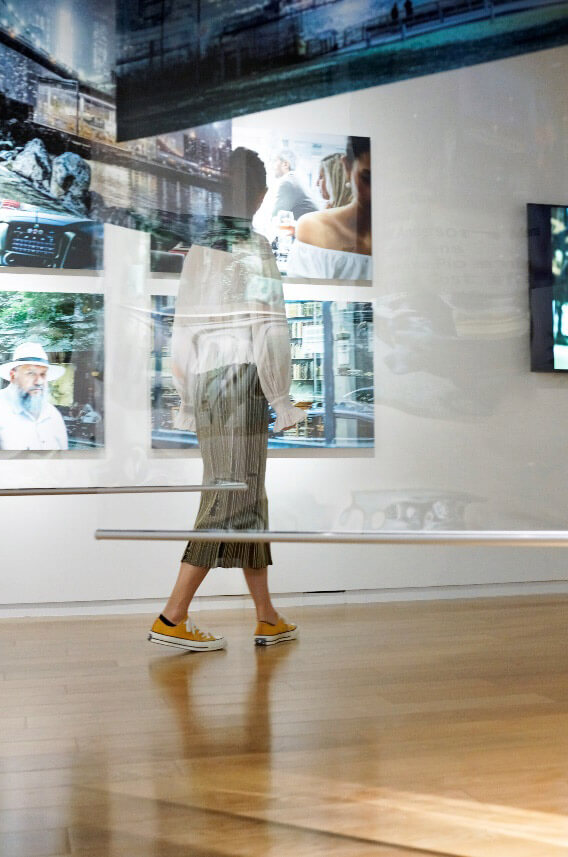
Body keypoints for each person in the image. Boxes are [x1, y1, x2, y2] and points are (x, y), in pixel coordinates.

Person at [149, 146, 308, 654]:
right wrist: (282, 398)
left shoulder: (200, 249)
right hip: (242, 380)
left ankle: (267, 616)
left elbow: (182, 331)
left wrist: (187, 398)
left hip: (207, 383)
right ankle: (172, 616)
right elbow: (270, 327)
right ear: (258, 194)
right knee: (229, 497)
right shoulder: (254, 247)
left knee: (247, 499)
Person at [287, 136, 372, 281]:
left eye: (322, 177)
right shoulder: (315, 227)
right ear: (347, 168)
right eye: (367, 178)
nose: (317, 183)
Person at [0, 342, 70, 450]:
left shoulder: (53, 415)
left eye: (43, 374)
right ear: (13, 375)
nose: (39, 381)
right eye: (31, 373)